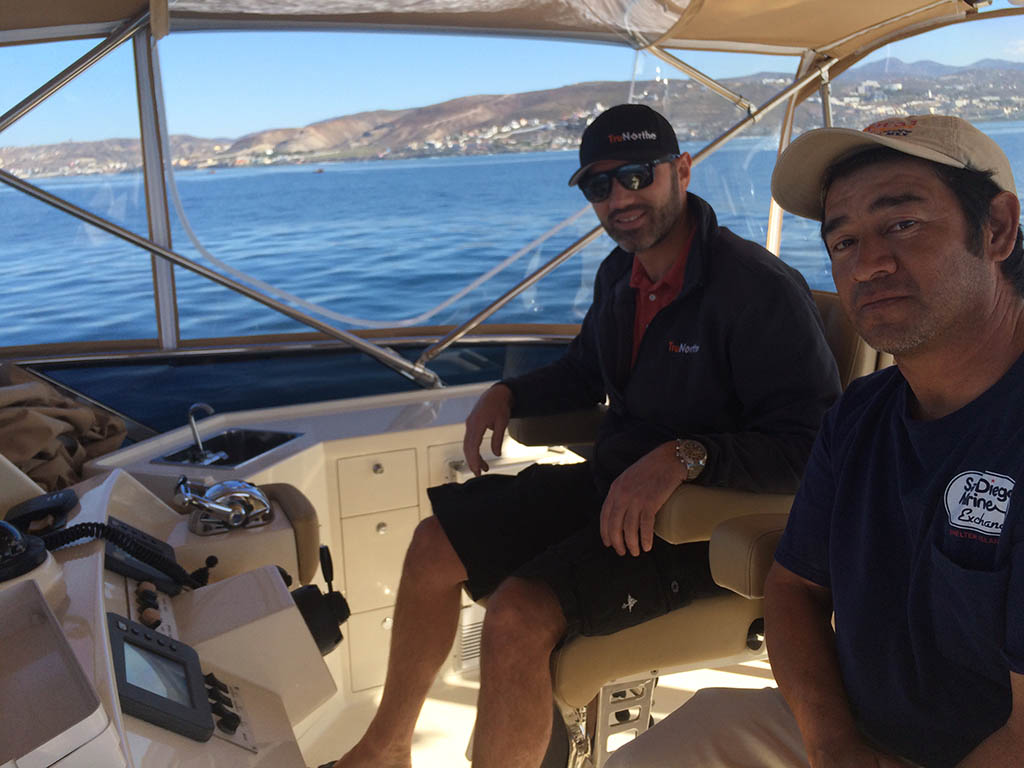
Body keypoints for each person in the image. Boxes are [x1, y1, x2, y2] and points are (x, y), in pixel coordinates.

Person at [331, 104, 840, 768]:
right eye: (600, 185)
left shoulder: (756, 291)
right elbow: (583, 372)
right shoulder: (620, 275)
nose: (619, 198)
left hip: (706, 531)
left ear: (682, 171)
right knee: (434, 545)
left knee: (516, 616)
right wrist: (510, 393)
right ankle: (385, 750)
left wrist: (686, 458)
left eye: (637, 176)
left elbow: (815, 445)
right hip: (615, 493)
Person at [604, 114, 1024, 768]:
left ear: (996, 229)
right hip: (852, 731)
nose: (869, 264)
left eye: (903, 224)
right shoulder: (861, 414)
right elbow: (794, 589)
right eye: (845, 241)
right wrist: (833, 745)